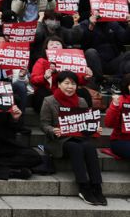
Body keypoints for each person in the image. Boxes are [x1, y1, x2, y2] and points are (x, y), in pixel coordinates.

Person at [40, 71, 105, 206]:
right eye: (67, 83)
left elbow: (87, 122)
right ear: (59, 84)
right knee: (75, 147)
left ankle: (97, 186)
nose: (70, 87)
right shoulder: (49, 101)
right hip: (59, 141)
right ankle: (83, 187)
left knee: (89, 146)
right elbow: (44, 124)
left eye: (73, 84)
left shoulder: (81, 101)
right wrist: (53, 130)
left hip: (78, 137)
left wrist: (94, 129)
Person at [104, 73, 130, 159]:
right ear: (127, 86)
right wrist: (115, 106)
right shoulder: (120, 100)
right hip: (120, 140)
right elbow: (108, 124)